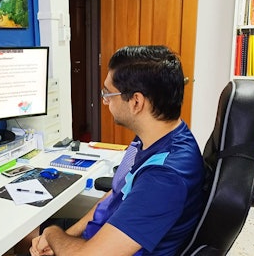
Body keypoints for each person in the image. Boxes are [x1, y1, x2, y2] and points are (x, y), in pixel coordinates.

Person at [26, 46, 204, 256]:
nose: (104, 101)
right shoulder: (152, 137)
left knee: (34, 233)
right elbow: (117, 193)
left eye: (108, 93)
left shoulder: (165, 178)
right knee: (35, 237)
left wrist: (52, 233)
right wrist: (69, 234)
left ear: (136, 102)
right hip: (104, 233)